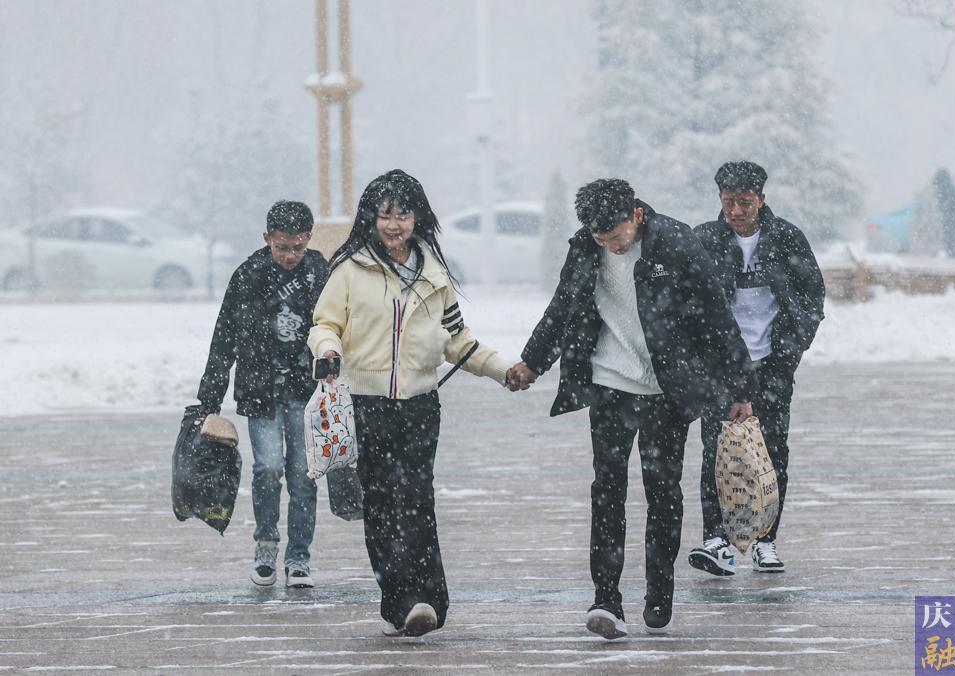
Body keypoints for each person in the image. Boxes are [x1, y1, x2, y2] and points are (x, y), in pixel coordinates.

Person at [507, 178, 756, 640]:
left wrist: (741, 387)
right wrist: (532, 362)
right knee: (607, 490)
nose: (612, 248)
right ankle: (606, 599)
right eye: (603, 240)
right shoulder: (585, 248)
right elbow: (562, 308)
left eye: (617, 237)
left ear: (636, 215)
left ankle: (659, 592)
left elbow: (715, 316)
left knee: (663, 494)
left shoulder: (677, 243)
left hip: (666, 391)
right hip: (608, 385)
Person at [308, 169, 515, 638]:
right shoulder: (349, 270)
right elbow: (323, 324)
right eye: (385, 214)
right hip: (366, 404)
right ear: (371, 218)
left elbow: (458, 342)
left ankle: (427, 600)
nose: (394, 224)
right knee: (382, 504)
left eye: (403, 213)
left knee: (418, 501)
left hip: (421, 406)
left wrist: (504, 370)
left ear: (418, 217)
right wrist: (328, 351)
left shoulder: (435, 276)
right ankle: (399, 601)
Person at [688, 161, 825, 576]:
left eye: (744, 202)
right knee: (718, 452)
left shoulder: (786, 239)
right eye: (728, 202)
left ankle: (766, 540)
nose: (736, 211)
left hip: (771, 365)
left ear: (761, 200)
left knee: (772, 452)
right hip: (721, 368)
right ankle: (717, 539)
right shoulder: (705, 240)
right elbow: (687, 302)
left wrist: (787, 354)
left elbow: (811, 300)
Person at [197, 200, 329, 588]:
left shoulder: (320, 273)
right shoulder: (248, 275)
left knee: (304, 475)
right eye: (282, 247)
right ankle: (266, 545)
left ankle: (300, 557)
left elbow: (340, 326)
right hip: (260, 391)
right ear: (266, 238)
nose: (290, 256)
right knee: (268, 467)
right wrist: (209, 398)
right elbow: (224, 338)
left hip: (307, 392)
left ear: (309, 241)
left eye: (298, 248)